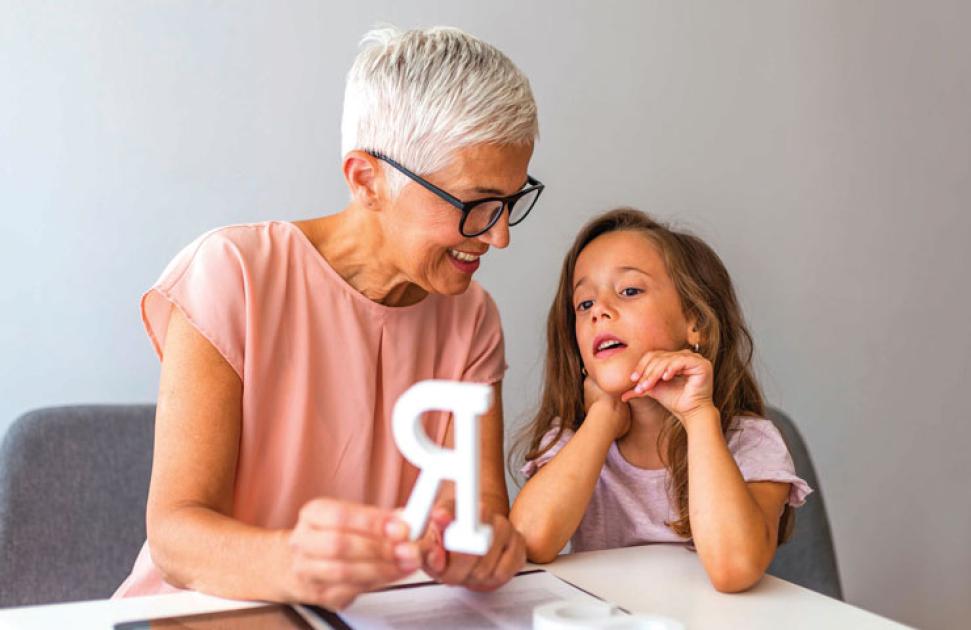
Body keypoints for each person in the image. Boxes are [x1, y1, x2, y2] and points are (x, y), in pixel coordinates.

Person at [114, 25, 543, 610]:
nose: (498, 235)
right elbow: (176, 537)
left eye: (511, 202)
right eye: (476, 205)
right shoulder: (232, 274)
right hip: (198, 614)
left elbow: (481, 515)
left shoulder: (472, 319)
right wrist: (295, 562)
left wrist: (483, 549)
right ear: (367, 179)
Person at [509, 208, 811, 593]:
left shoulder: (751, 443)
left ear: (695, 322)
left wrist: (698, 415)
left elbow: (734, 569)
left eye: (629, 291)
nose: (599, 311)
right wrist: (602, 416)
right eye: (584, 304)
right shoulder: (576, 440)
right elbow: (530, 542)